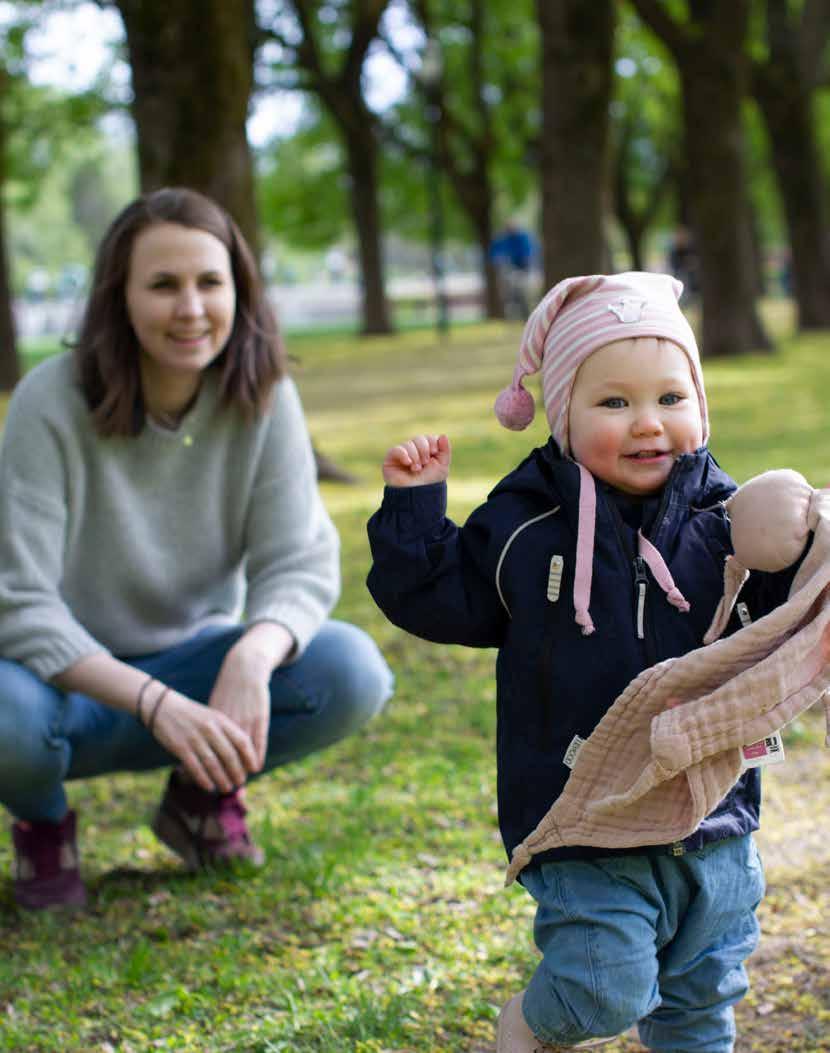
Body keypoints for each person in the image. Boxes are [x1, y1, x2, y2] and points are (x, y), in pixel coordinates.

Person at [366, 272, 806, 1053]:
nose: (649, 424)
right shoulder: (525, 523)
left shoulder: (729, 520)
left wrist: (807, 545)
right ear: (563, 411)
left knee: (704, 996)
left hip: (713, 813)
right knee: (604, 990)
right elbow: (439, 598)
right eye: (615, 402)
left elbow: (790, 620)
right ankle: (531, 1021)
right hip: (583, 812)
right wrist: (414, 507)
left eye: (673, 398)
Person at [0, 187, 393, 912]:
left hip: (199, 674)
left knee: (349, 667)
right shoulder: (47, 402)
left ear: (239, 291)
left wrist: (249, 655)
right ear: (118, 296)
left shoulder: (265, 395)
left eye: (210, 282)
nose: (191, 308)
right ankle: (44, 826)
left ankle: (199, 797)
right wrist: (151, 702)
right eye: (163, 285)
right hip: (63, 690)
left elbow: (297, 562)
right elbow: (18, 600)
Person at [489, 221, 537, 318]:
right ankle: (511, 314)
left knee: (522, 291)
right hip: (508, 269)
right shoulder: (503, 239)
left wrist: (525, 262)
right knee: (508, 292)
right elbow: (495, 253)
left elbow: (528, 252)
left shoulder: (522, 238)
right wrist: (499, 260)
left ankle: (525, 313)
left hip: (522, 268)